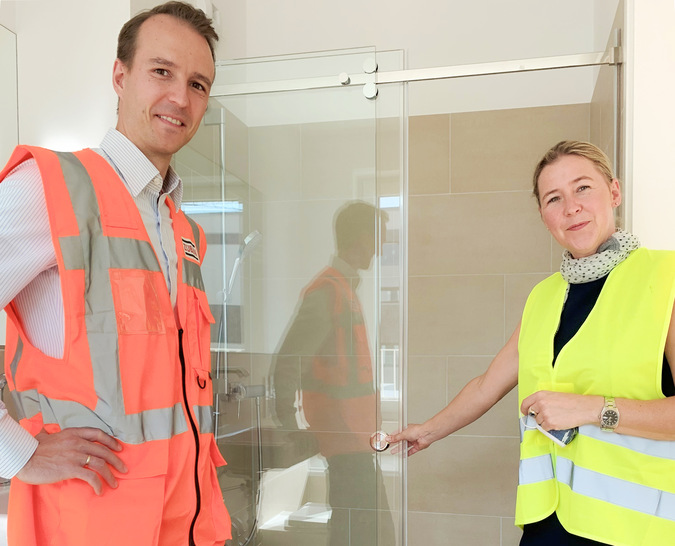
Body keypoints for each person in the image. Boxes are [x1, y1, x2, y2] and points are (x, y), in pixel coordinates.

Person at [0, 2, 231, 545]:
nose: (180, 97)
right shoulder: (51, 190)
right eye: (161, 71)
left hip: (182, 523)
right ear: (119, 76)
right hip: (88, 523)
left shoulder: (183, 232)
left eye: (198, 84)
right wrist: (18, 453)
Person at [389, 140, 675, 546]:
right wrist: (427, 431)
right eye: (553, 198)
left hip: (634, 531)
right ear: (544, 217)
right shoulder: (544, 296)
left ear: (614, 192)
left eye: (583, 188)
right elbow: (488, 384)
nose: (570, 207)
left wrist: (593, 408)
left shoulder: (666, 278)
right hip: (547, 523)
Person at [272, 201, 395, 546]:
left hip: (354, 435)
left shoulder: (344, 289)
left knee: (362, 526)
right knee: (358, 529)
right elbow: (289, 360)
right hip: (342, 435)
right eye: (378, 239)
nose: (381, 248)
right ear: (360, 237)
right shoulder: (328, 290)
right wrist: (288, 423)